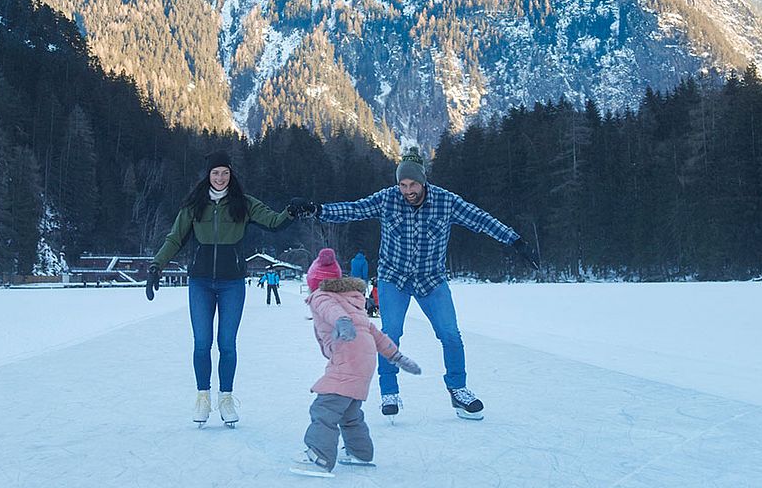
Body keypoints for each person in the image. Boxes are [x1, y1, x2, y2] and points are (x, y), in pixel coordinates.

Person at [289, 148, 537, 420]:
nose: (408, 191)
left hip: (432, 280)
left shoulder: (446, 201)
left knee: (450, 334)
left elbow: (480, 218)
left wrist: (514, 240)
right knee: (390, 333)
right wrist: (318, 210)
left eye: (413, 185)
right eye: (403, 185)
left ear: (423, 181)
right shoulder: (387, 199)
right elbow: (354, 209)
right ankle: (390, 391)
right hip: (394, 277)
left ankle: (458, 389)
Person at [147, 150, 305, 427]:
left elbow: (273, 222)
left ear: (231, 175)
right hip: (200, 282)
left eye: (225, 173)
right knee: (202, 343)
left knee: (227, 344)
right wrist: (156, 266)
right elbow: (174, 239)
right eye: (215, 173)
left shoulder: (244, 204)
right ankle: (202, 397)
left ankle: (227, 398)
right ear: (208, 175)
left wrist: (290, 212)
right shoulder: (194, 205)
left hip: (232, 283)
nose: (220, 178)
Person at [291, 275, 421, 478]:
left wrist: (342, 322)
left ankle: (319, 456)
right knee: (349, 413)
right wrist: (397, 356)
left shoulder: (321, 295)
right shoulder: (354, 304)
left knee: (324, 408)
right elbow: (378, 336)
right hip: (364, 364)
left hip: (347, 359)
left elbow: (330, 310)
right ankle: (360, 453)